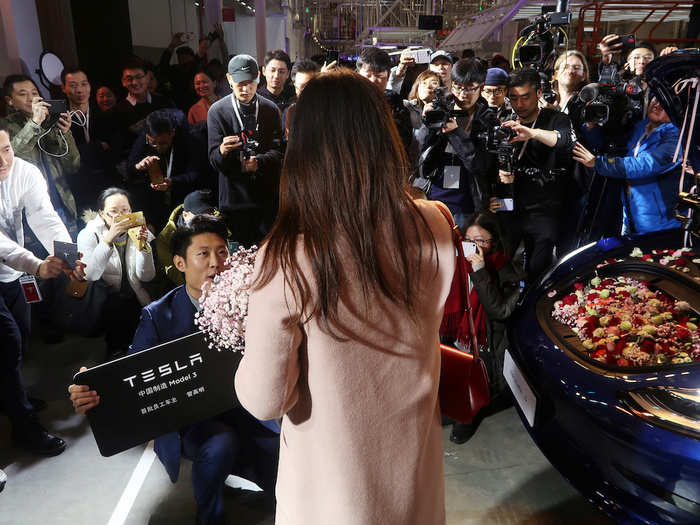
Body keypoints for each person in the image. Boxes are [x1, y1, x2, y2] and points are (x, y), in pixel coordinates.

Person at [235, 70, 455, 525]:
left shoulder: (289, 256)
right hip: (414, 468)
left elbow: (264, 400)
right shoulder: (434, 221)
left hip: (333, 489)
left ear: (304, 149)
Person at [69, 214, 279, 525]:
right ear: (180, 264)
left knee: (277, 452)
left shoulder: (250, 302)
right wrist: (91, 390)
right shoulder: (157, 315)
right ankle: (209, 516)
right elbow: (132, 373)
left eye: (222, 252)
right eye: (203, 253)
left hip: (242, 407)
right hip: (191, 420)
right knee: (221, 443)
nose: (215, 263)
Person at [0, 122, 84, 456]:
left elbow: (44, 216)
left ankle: (9, 395)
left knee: (20, 335)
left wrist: (68, 257)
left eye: (5, 149)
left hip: (10, 273)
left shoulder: (25, 171)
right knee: (8, 342)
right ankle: (25, 428)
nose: (2, 160)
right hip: (14, 261)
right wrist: (36, 265)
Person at [448, 212, 523, 444]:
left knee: (475, 385)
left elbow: (499, 310)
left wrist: (480, 270)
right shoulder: (456, 262)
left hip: (486, 342)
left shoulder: (507, 270)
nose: (474, 246)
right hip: (458, 336)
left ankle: (466, 418)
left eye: (481, 241)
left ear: (495, 241)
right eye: (469, 240)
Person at [499, 67, 575, 280]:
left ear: (539, 94)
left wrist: (532, 133)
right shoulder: (504, 121)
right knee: (506, 268)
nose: (519, 104)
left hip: (544, 207)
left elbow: (563, 140)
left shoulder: (556, 119)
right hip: (510, 205)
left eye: (525, 97)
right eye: (513, 98)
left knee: (538, 269)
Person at [572, 98, 681, 235]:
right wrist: (591, 126)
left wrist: (599, 163)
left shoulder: (677, 137)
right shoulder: (641, 127)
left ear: (676, 109)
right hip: (631, 217)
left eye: (664, 103)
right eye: (656, 99)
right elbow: (611, 146)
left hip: (661, 225)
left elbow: (644, 165)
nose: (657, 105)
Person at [207, 54, 284, 245]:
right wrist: (223, 151)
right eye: (240, 83)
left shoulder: (270, 109)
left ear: (258, 77)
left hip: (267, 199)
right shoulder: (217, 111)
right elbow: (214, 160)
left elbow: (279, 151)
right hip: (234, 200)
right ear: (229, 79)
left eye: (250, 82)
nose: (245, 88)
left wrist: (259, 161)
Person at [416, 58, 499, 231]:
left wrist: (455, 133)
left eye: (470, 89)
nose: (463, 94)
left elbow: (480, 165)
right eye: (459, 87)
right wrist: (428, 122)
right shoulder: (440, 108)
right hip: (434, 197)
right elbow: (420, 154)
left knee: (462, 253)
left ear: (481, 88)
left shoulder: (488, 120)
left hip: (468, 202)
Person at [77, 187, 155, 357]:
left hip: (135, 297)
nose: (121, 216)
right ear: (101, 213)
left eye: (125, 210)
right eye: (113, 212)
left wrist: (143, 247)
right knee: (117, 330)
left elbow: (147, 276)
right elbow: (90, 275)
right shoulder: (88, 234)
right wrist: (108, 239)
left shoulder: (139, 229)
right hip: (105, 300)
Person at [1, 74, 79, 235]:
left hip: (62, 206)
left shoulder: (50, 122)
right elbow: (13, 158)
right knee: (42, 259)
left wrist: (66, 134)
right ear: (10, 101)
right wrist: (35, 123)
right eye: (23, 94)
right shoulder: (4, 127)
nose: (31, 98)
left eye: (34, 92)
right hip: (30, 215)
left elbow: (73, 165)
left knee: (73, 258)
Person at [127, 109, 210, 231]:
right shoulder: (144, 137)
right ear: (147, 136)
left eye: (163, 143)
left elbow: (198, 174)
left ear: (172, 133)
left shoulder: (190, 139)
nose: (158, 148)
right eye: (153, 143)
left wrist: (173, 181)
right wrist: (138, 166)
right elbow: (130, 168)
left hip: (183, 197)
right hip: (152, 201)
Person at [61, 67, 120, 210]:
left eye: (84, 84)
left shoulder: (106, 114)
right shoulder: (61, 119)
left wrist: (82, 150)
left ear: (90, 86)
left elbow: (115, 149)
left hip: (108, 180)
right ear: (63, 88)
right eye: (73, 86)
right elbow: (64, 155)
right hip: (78, 184)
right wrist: (98, 146)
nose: (80, 90)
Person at [157, 189, 217, 287]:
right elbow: (172, 270)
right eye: (199, 216)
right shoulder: (165, 238)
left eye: (208, 215)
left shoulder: (216, 222)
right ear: (185, 215)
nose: (205, 221)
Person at [283, 59, 320, 137]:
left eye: (311, 86)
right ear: (295, 86)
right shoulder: (291, 112)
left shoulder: (329, 110)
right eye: (302, 87)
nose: (307, 92)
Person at [257, 50, 296, 115]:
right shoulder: (257, 99)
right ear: (264, 71)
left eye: (281, 72)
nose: (276, 76)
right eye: (272, 70)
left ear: (288, 74)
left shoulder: (293, 96)